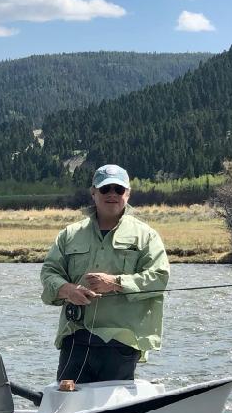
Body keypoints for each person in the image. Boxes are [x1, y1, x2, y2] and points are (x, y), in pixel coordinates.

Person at [40, 164, 169, 384]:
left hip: (122, 342)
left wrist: (116, 283)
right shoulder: (69, 235)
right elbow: (50, 272)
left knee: (113, 409)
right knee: (68, 406)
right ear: (93, 192)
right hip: (76, 338)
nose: (112, 194)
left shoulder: (146, 236)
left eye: (118, 190)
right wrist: (67, 290)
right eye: (105, 188)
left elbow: (159, 277)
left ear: (127, 194)